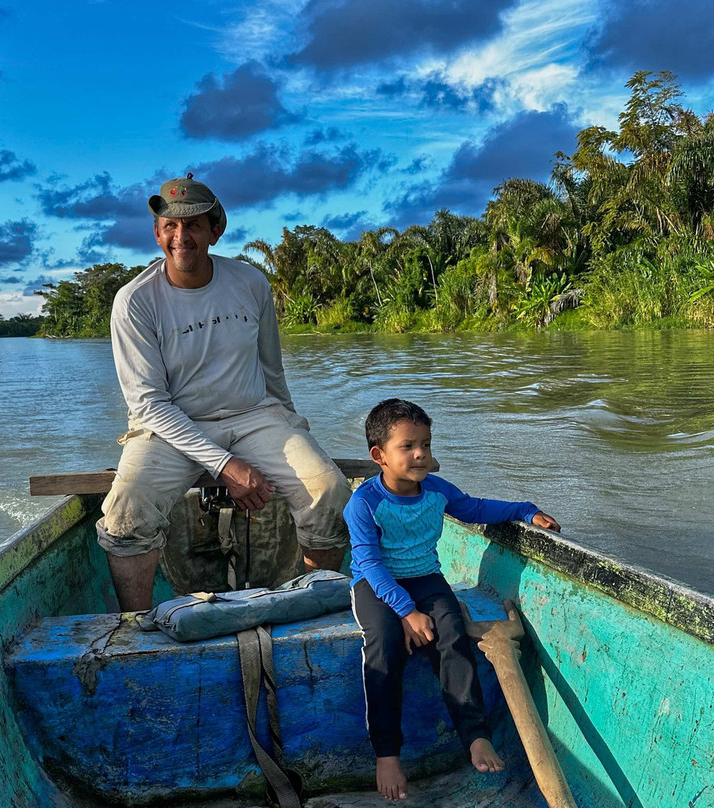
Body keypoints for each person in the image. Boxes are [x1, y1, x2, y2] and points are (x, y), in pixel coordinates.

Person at [96, 174, 352, 611]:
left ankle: (315, 609)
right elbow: (149, 404)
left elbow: (272, 371)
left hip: (255, 417)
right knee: (126, 512)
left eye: (193, 224)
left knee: (329, 492)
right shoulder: (135, 300)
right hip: (169, 427)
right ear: (157, 233)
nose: (181, 237)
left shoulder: (250, 284)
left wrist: (294, 433)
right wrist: (225, 465)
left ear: (216, 230)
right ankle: (135, 627)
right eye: (170, 227)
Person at [344, 398, 560, 801]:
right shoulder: (364, 504)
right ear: (379, 456)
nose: (421, 453)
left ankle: (475, 735)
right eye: (407, 446)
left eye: (425, 443)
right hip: (376, 585)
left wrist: (526, 510)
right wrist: (406, 614)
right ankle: (387, 753)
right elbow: (370, 565)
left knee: (453, 636)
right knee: (385, 646)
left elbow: (477, 508)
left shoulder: (437, 492)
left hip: (427, 579)